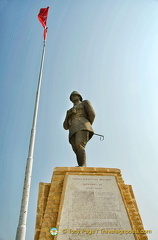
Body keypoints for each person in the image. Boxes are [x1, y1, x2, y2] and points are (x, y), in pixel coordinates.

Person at [63, 91, 95, 167]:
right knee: (76, 149)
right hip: (72, 130)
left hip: (83, 126)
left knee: (79, 144)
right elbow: (65, 126)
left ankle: (83, 165)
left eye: (74, 95)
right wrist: (68, 115)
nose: (73, 97)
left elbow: (92, 114)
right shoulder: (69, 111)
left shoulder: (85, 103)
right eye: (71, 97)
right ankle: (80, 165)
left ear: (79, 96)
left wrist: (86, 124)